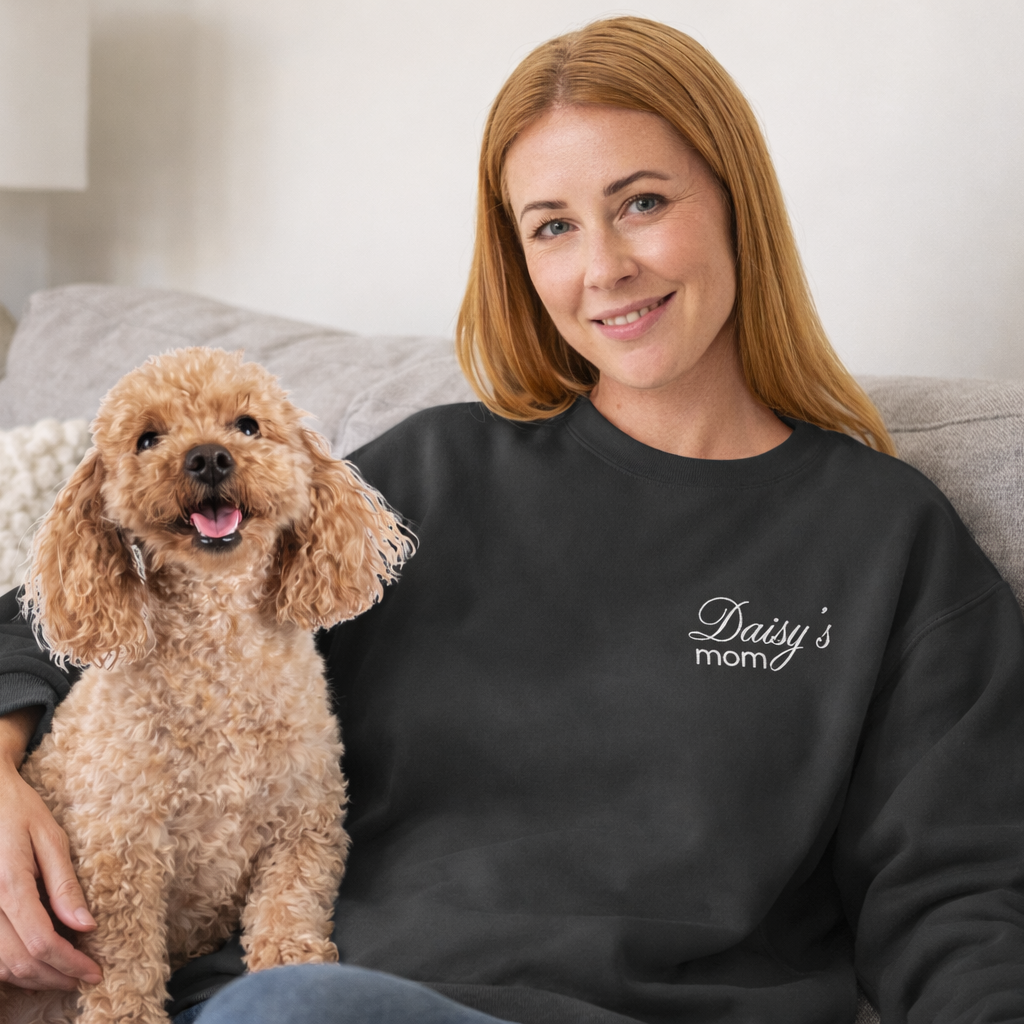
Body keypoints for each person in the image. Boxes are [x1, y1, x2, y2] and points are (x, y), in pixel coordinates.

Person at [1, 15, 1022, 1024]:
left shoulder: (886, 541)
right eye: (553, 226)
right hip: (299, 996)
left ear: (734, 202)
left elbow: (955, 898)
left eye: (644, 202)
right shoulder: (431, 477)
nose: (604, 266)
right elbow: (86, 610)